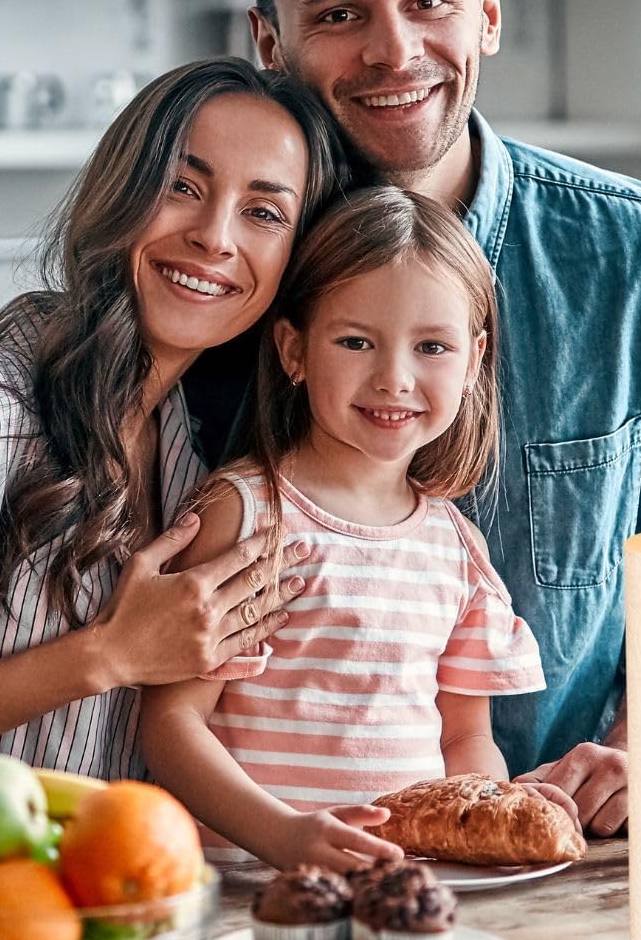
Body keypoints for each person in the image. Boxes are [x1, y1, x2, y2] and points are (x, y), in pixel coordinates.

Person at [241, 0, 641, 835]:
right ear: (267, 45)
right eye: (338, 13)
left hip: (579, 865)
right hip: (268, 880)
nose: (394, 51)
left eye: (429, 2)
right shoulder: (225, 276)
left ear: (488, 11)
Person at [0, 58, 344, 882]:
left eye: (263, 211)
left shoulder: (188, 438)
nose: (216, 236)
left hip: (102, 936)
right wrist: (106, 654)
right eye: (183, 187)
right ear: (121, 191)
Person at [141, 186, 567, 873]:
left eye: (431, 346)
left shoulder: (455, 549)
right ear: (293, 350)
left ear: (472, 359)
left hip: (404, 888)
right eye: (354, 341)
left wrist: (494, 806)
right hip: (253, 889)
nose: (393, 378)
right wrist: (283, 835)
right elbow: (170, 726)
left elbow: (466, 739)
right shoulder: (247, 516)